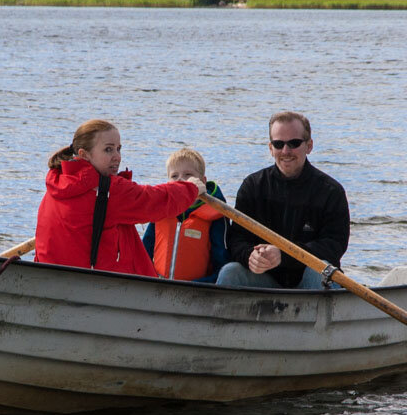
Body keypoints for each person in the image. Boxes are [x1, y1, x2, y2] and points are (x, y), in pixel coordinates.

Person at [35, 120, 199, 277]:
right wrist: (192, 188)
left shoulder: (57, 184)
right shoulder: (108, 190)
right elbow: (156, 200)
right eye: (108, 149)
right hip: (95, 286)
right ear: (84, 155)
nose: (117, 157)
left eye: (118, 149)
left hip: (51, 278)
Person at [216, 111, 349, 289]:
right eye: (279, 144)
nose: (286, 151)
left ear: (309, 146)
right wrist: (249, 256)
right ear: (271, 148)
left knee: (322, 271)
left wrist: (284, 255)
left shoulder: (331, 192)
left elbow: (334, 245)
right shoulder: (252, 186)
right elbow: (236, 238)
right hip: (264, 279)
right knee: (230, 272)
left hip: (310, 279)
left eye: (294, 143)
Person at [141, 147, 227, 282]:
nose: (180, 180)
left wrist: (199, 285)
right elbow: (144, 252)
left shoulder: (216, 216)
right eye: (174, 176)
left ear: (203, 181)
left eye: (188, 175)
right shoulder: (160, 212)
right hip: (158, 285)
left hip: (195, 290)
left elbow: (222, 266)